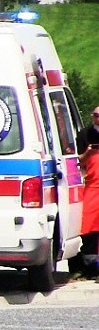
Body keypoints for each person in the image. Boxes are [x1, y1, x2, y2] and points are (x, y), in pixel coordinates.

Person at [75, 105, 99, 278]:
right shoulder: (84, 134)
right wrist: (89, 153)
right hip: (92, 184)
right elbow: (77, 160)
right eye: (96, 115)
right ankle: (88, 267)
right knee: (88, 225)